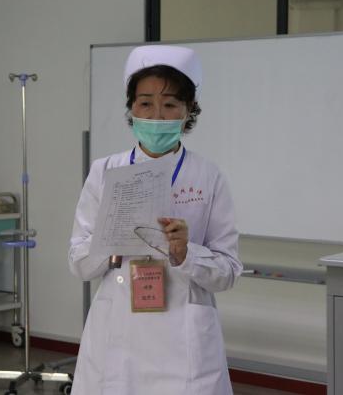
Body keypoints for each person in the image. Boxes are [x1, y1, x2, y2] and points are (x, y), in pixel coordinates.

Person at [68, 45, 243, 395]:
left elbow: (228, 271)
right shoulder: (105, 171)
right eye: (146, 103)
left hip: (184, 339)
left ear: (188, 110)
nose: (158, 116)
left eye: (170, 105)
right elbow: (78, 263)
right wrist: (111, 240)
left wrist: (186, 253)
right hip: (119, 334)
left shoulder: (208, 176)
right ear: (132, 108)